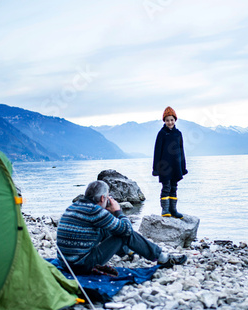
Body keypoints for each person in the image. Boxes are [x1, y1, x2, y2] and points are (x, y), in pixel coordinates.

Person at [56, 180, 187, 274]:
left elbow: (110, 225)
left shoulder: (73, 207)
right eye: (107, 197)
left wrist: (109, 213)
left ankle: (127, 252)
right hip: (80, 265)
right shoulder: (95, 211)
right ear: (103, 198)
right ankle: (162, 258)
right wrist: (118, 211)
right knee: (124, 235)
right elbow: (127, 230)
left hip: (65, 263)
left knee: (107, 227)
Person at [152, 106, 188, 218]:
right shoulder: (162, 133)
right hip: (164, 166)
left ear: (175, 120)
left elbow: (182, 151)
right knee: (166, 187)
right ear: (164, 121)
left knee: (174, 187)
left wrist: (183, 167)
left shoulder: (178, 133)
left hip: (176, 165)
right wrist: (156, 169)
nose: (170, 122)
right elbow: (157, 151)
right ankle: (165, 210)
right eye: (167, 120)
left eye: (172, 120)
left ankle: (173, 210)